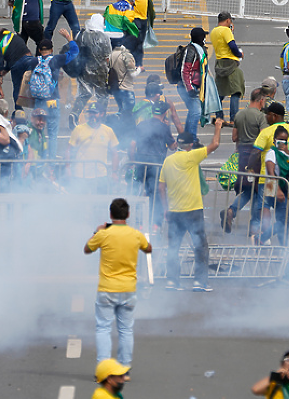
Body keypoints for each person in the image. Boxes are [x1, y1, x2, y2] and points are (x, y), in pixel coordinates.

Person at [84, 198, 152, 367]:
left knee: (103, 329)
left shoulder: (103, 234)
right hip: (129, 289)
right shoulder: (135, 234)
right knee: (126, 330)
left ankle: (104, 369)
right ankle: (124, 368)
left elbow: (87, 249)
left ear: (110, 214)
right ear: (128, 215)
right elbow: (148, 248)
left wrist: (96, 231)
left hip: (107, 289)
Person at [158, 118, 223, 292]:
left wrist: (165, 208)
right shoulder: (191, 156)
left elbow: (161, 186)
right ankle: (199, 282)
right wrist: (218, 127)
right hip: (193, 210)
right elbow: (215, 144)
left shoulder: (168, 161)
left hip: (174, 211)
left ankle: (172, 281)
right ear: (190, 145)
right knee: (200, 246)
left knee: (173, 247)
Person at [220, 88, 270, 233]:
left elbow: (234, 137)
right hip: (256, 156)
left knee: (247, 188)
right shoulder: (261, 117)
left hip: (242, 154)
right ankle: (254, 226)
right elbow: (263, 137)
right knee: (257, 190)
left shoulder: (239, 114)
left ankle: (231, 211)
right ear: (261, 100)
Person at [25, 29, 78, 158]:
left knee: (39, 131)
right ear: (52, 49)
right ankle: (51, 161)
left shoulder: (34, 61)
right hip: (52, 101)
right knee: (53, 133)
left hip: (39, 101)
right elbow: (74, 52)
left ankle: (40, 158)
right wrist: (69, 39)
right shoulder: (56, 60)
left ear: (39, 50)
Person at [131, 101, 175, 231]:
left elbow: (132, 145)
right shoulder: (164, 127)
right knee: (156, 194)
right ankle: (156, 224)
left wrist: (133, 161)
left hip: (140, 164)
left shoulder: (141, 125)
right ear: (164, 113)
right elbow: (172, 146)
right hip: (156, 166)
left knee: (140, 191)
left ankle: (139, 222)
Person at [68, 102, 119, 193]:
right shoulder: (79, 129)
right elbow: (69, 150)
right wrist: (68, 168)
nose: (92, 115)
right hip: (81, 174)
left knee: (99, 203)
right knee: (81, 203)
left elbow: (115, 153)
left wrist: (114, 172)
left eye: (95, 113)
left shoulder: (108, 131)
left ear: (102, 114)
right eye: (90, 112)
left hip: (100, 175)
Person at [209, 11, 245, 123]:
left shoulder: (214, 31)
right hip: (230, 63)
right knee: (236, 90)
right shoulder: (226, 31)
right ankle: (233, 119)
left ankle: (219, 117)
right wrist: (240, 54)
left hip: (220, 63)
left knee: (220, 91)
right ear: (228, 20)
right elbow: (232, 46)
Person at [118, 0, 154, 69]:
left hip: (144, 17)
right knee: (133, 41)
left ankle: (139, 64)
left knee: (140, 42)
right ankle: (130, 63)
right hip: (134, 18)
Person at [177, 27, 208, 137]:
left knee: (192, 112)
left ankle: (186, 137)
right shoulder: (191, 50)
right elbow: (185, 71)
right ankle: (192, 140)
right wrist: (189, 89)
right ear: (200, 38)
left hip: (194, 86)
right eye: (204, 37)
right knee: (196, 112)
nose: (205, 39)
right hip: (187, 87)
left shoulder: (200, 49)